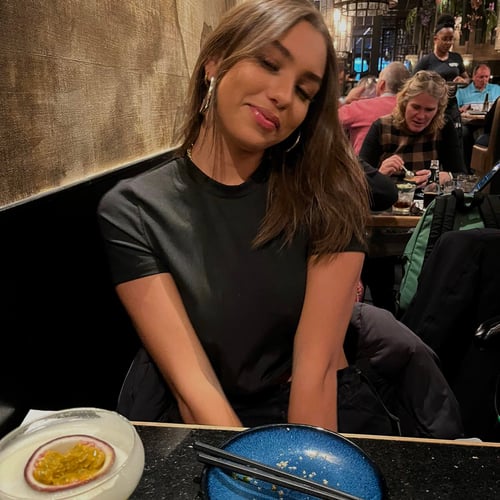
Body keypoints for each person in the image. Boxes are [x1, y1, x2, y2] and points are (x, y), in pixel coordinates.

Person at [98, 0, 463, 439]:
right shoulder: (134, 210)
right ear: (214, 62)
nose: (284, 96)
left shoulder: (328, 194)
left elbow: (315, 371)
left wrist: (301, 467)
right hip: (196, 414)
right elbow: (192, 382)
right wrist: (249, 467)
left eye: (304, 91)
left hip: (306, 403)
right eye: (269, 63)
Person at [359, 70, 467, 314]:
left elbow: (461, 174)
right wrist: (380, 172)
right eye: (416, 107)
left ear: (438, 110)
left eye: (429, 110)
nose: (421, 116)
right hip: (386, 217)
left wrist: (443, 176)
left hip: (426, 219)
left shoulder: (443, 129)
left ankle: (417, 313)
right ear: (404, 102)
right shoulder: (382, 126)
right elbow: (358, 176)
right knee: (378, 264)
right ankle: (386, 311)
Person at [413, 14, 469, 161]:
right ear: (436, 39)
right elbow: (413, 83)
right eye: (445, 39)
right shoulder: (426, 61)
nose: (448, 43)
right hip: (434, 107)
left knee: (456, 140)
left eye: (451, 39)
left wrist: (462, 80)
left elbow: (467, 79)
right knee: (434, 140)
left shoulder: (456, 58)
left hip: (452, 106)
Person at [339, 62, 410, 154]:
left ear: (382, 84)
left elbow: (327, 119)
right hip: (402, 162)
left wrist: (345, 100)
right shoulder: (412, 110)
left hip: (363, 162)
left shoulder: (361, 107)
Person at [457, 64, 500, 168]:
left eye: (487, 77)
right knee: (463, 133)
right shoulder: (462, 91)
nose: (484, 80)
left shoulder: (496, 89)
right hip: (469, 123)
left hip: (491, 124)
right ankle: (467, 166)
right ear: (473, 77)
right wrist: (461, 109)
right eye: (481, 77)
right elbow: (455, 111)